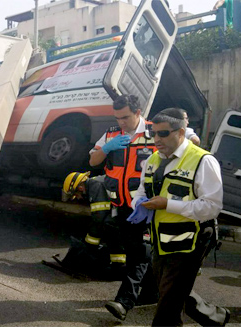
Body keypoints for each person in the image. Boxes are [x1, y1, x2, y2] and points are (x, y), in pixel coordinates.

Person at [132, 107, 229, 326]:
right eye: (153, 133)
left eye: (164, 133)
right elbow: (140, 191)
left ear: (181, 132)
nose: (157, 139)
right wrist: (137, 203)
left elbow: (212, 207)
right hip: (160, 239)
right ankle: (216, 318)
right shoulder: (152, 161)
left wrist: (168, 204)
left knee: (168, 302)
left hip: (191, 240)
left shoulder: (203, 161)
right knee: (170, 289)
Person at [89, 94, 157, 320]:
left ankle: (124, 301)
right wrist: (107, 148)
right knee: (135, 251)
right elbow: (93, 161)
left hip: (147, 206)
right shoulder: (111, 134)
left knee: (139, 253)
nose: (121, 122)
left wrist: (192, 135)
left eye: (125, 117)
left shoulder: (154, 132)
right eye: (117, 118)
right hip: (122, 206)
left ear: (138, 112)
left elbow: (186, 137)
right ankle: (151, 292)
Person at [61, 172, 126, 273]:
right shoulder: (94, 184)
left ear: (80, 188)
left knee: (109, 225)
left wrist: (89, 244)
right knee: (107, 225)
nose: (78, 198)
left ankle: (120, 266)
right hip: (124, 208)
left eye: (76, 195)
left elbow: (99, 216)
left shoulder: (95, 186)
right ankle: (117, 263)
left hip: (126, 211)